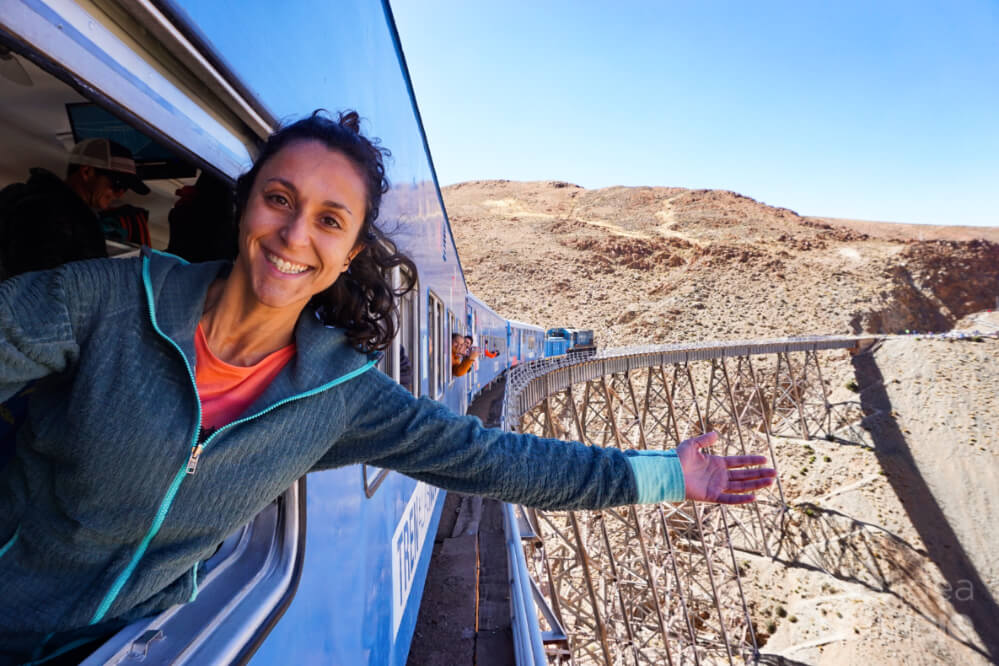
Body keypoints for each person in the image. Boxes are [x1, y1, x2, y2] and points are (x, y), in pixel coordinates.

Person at [0, 111, 775, 662]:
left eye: (330, 220)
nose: (295, 234)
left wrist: (667, 473)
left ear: (348, 254)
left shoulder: (339, 396)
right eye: (280, 199)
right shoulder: (106, 300)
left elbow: (495, 460)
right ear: (246, 207)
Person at [0, 138, 149, 278]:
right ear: (86, 172)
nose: (119, 194)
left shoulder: (24, 195)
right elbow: (39, 286)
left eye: (125, 189)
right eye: (117, 185)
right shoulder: (54, 214)